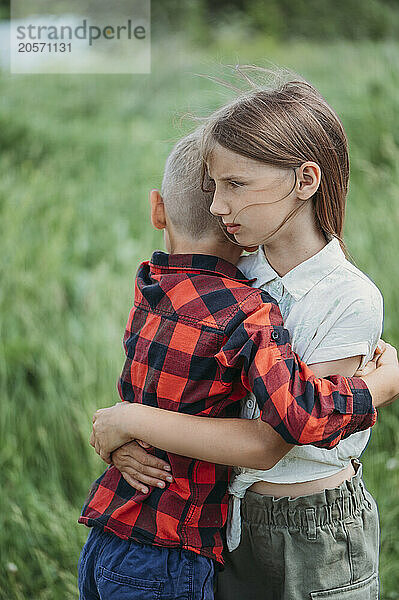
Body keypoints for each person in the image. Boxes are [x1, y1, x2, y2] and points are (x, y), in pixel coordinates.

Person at [90, 74, 399, 599]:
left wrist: (131, 421)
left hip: (312, 534)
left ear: (305, 181)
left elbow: (271, 442)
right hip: (232, 520)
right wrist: (125, 440)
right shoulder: (241, 278)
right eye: (213, 187)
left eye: (235, 186)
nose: (216, 208)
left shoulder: (346, 298)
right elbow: (182, 385)